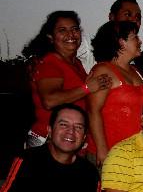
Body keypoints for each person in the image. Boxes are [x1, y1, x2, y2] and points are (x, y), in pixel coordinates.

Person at [21, 11, 111, 147]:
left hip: (68, 139)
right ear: (51, 37)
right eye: (62, 30)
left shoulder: (77, 63)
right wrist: (87, 88)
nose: (71, 34)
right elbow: (49, 101)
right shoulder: (49, 62)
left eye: (75, 29)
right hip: (48, 141)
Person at [88, 20, 143, 166]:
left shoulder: (136, 71)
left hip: (136, 153)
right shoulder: (103, 70)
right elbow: (93, 110)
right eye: (135, 37)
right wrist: (102, 149)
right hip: (111, 152)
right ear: (121, 42)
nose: (140, 41)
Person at [77, 0, 142, 73]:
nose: (133, 20)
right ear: (112, 17)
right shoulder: (86, 44)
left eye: (138, 17)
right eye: (127, 14)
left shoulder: (132, 59)